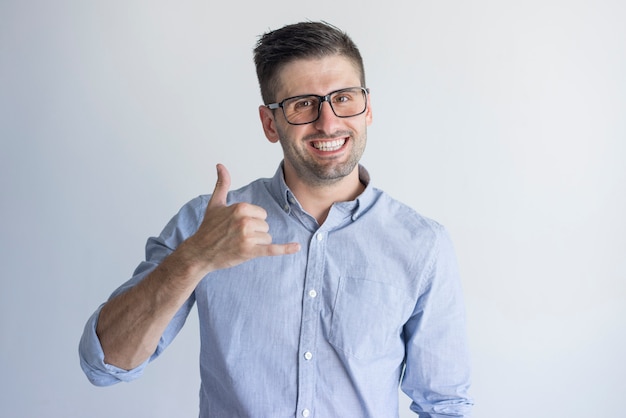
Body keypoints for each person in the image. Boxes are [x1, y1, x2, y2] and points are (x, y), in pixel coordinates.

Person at [79, 21, 473, 417]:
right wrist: (194, 257)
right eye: (303, 103)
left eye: (344, 98)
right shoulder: (209, 224)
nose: (328, 122)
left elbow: (445, 404)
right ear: (270, 123)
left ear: (368, 108)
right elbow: (104, 364)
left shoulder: (423, 244)